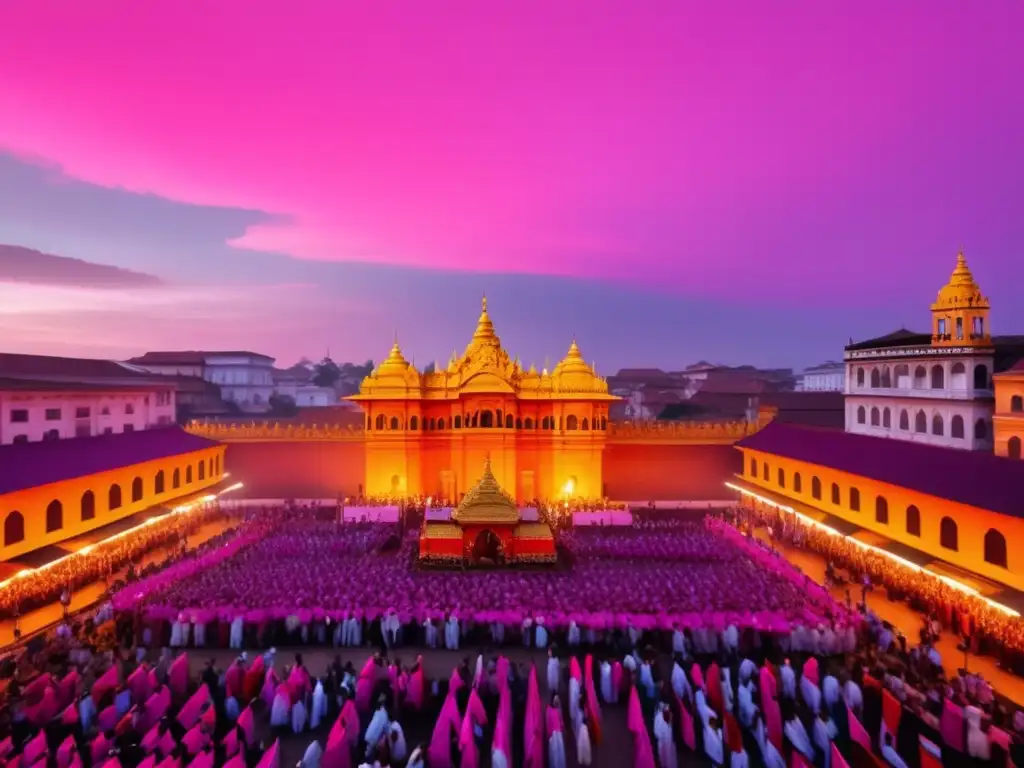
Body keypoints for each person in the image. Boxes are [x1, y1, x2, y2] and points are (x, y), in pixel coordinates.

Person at [654, 703, 678, 768]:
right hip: (668, 741)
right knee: (668, 756)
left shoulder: (658, 716)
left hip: (663, 742)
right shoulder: (668, 715)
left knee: (664, 757)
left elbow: (656, 733)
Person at [547, 694, 567, 768]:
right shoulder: (548, 709)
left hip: (558, 735)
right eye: (555, 700)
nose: (556, 702)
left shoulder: (558, 710)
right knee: (554, 753)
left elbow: (561, 721)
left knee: (559, 752)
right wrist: (549, 735)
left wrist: (563, 729)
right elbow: (548, 722)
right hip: (553, 735)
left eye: (557, 700)